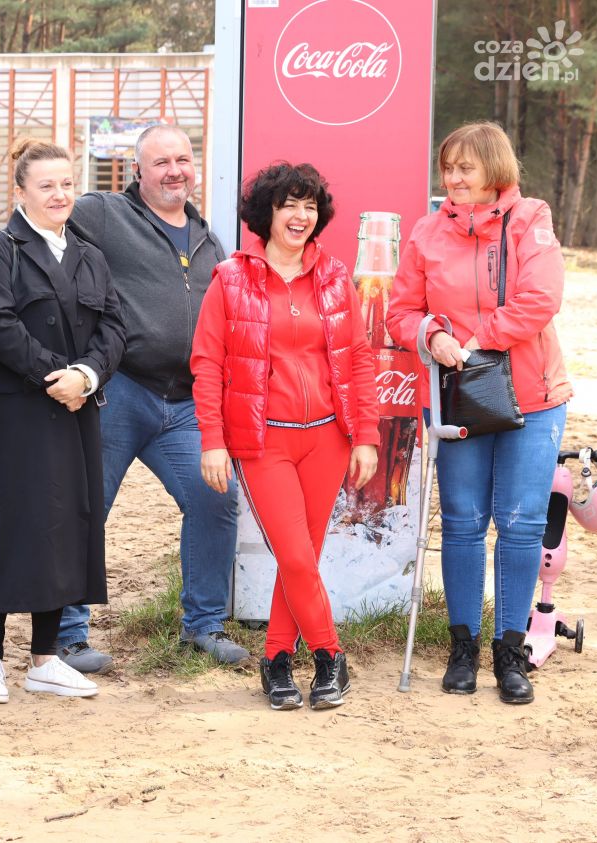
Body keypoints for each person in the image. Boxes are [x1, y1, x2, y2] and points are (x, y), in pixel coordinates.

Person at [388, 122, 570, 705]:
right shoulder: (427, 230)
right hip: (457, 397)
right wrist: (432, 334)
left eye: (465, 168)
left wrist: (476, 341)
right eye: (447, 168)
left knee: (520, 524)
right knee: (463, 522)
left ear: (495, 169)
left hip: (532, 399)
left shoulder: (531, 218)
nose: (453, 178)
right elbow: (400, 311)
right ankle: (462, 648)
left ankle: (510, 652)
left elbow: (541, 298)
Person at [191, 162, 379, 711]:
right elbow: (207, 364)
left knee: (304, 558)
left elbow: (358, 358)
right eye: (289, 205)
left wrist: (366, 434)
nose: (301, 216)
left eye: (310, 206)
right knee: (295, 556)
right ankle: (330, 655)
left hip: (328, 439)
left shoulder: (335, 277)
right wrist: (212, 439)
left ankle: (275, 659)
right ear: (266, 214)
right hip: (264, 440)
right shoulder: (231, 279)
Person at [62, 124, 245, 672]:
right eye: (160, 162)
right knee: (85, 505)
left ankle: (203, 626)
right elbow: (44, 217)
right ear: (136, 170)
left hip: (186, 404)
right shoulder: (104, 214)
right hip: (121, 389)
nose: (174, 171)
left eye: (182, 160)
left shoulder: (210, 241)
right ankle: (67, 636)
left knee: (216, 497)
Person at [0, 138, 125, 704]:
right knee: (9, 521)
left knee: (65, 520)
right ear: (21, 192)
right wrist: (55, 376)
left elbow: (115, 326)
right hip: (17, 407)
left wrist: (87, 375)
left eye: (66, 184)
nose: (59, 195)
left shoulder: (89, 254)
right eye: (46, 185)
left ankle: (45, 657)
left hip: (76, 405)